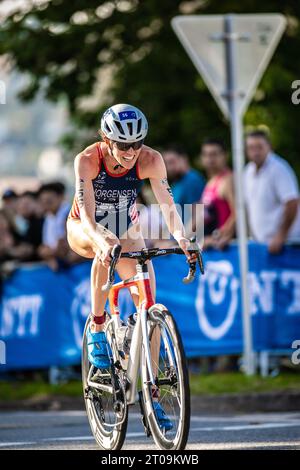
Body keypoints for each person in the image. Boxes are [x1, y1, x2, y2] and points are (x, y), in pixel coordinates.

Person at [66, 103, 198, 431]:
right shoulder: (87, 160)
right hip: (86, 226)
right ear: (106, 140)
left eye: (137, 144)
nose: (130, 151)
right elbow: (88, 214)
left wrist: (184, 240)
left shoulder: (151, 159)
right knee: (105, 248)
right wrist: (105, 241)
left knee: (147, 302)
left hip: (126, 227)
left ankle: (151, 393)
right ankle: (98, 327)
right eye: (123, 145)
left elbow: (168, 207)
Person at [244, 130, 300, 253]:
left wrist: (281, 235)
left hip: (287, 245)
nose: (256, 152)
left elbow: (292, 202)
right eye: (251, 148)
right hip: (261, 244)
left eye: (259, 147)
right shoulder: (247, 172)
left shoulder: (279, 168)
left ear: (269, 147)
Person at [199, 138, 236, 250]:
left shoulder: (229, 180)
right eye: (206, 155)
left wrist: (216, 236)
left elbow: (238, 213)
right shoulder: (210, 182)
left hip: (226, 247)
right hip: (212, 247)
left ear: (224, 156)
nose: (210, 159)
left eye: (214, 154)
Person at [38, 182, 72, 269]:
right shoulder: (49, 217)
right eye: (43, 202)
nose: (46, 205)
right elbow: (46, 246)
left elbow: (66, 247)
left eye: (49, 202)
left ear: (61, 197)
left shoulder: (70, 215)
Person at [17, 190, 44, 261]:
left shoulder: (41, 223)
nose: (22, 207)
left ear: (38, 203)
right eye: (20, 204)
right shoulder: (29, 224)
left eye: (26, 204)